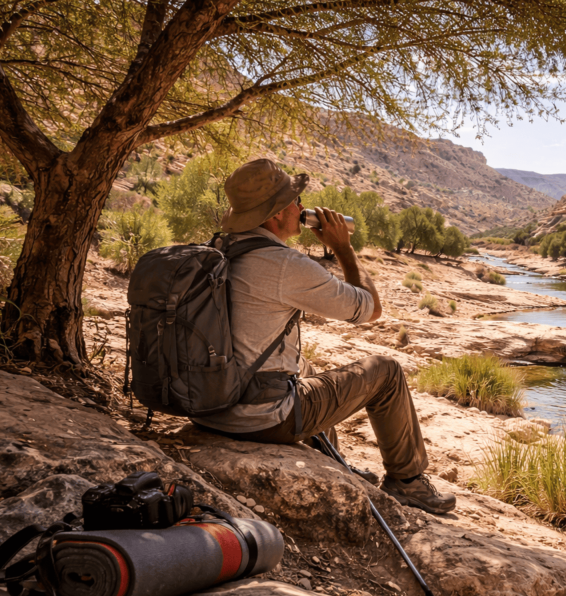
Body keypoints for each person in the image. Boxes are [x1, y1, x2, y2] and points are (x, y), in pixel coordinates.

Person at [192, 159, 455, 515]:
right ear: (277, 213)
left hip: (206, 406)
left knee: (307, 367)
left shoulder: (219, 249)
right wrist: (343, 248)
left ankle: (334, 461)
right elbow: (369, 309)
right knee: (386, 371)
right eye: (296, 201)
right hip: (259, 419)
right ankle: (408, 482)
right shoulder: (284, 264)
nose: (302, 208)